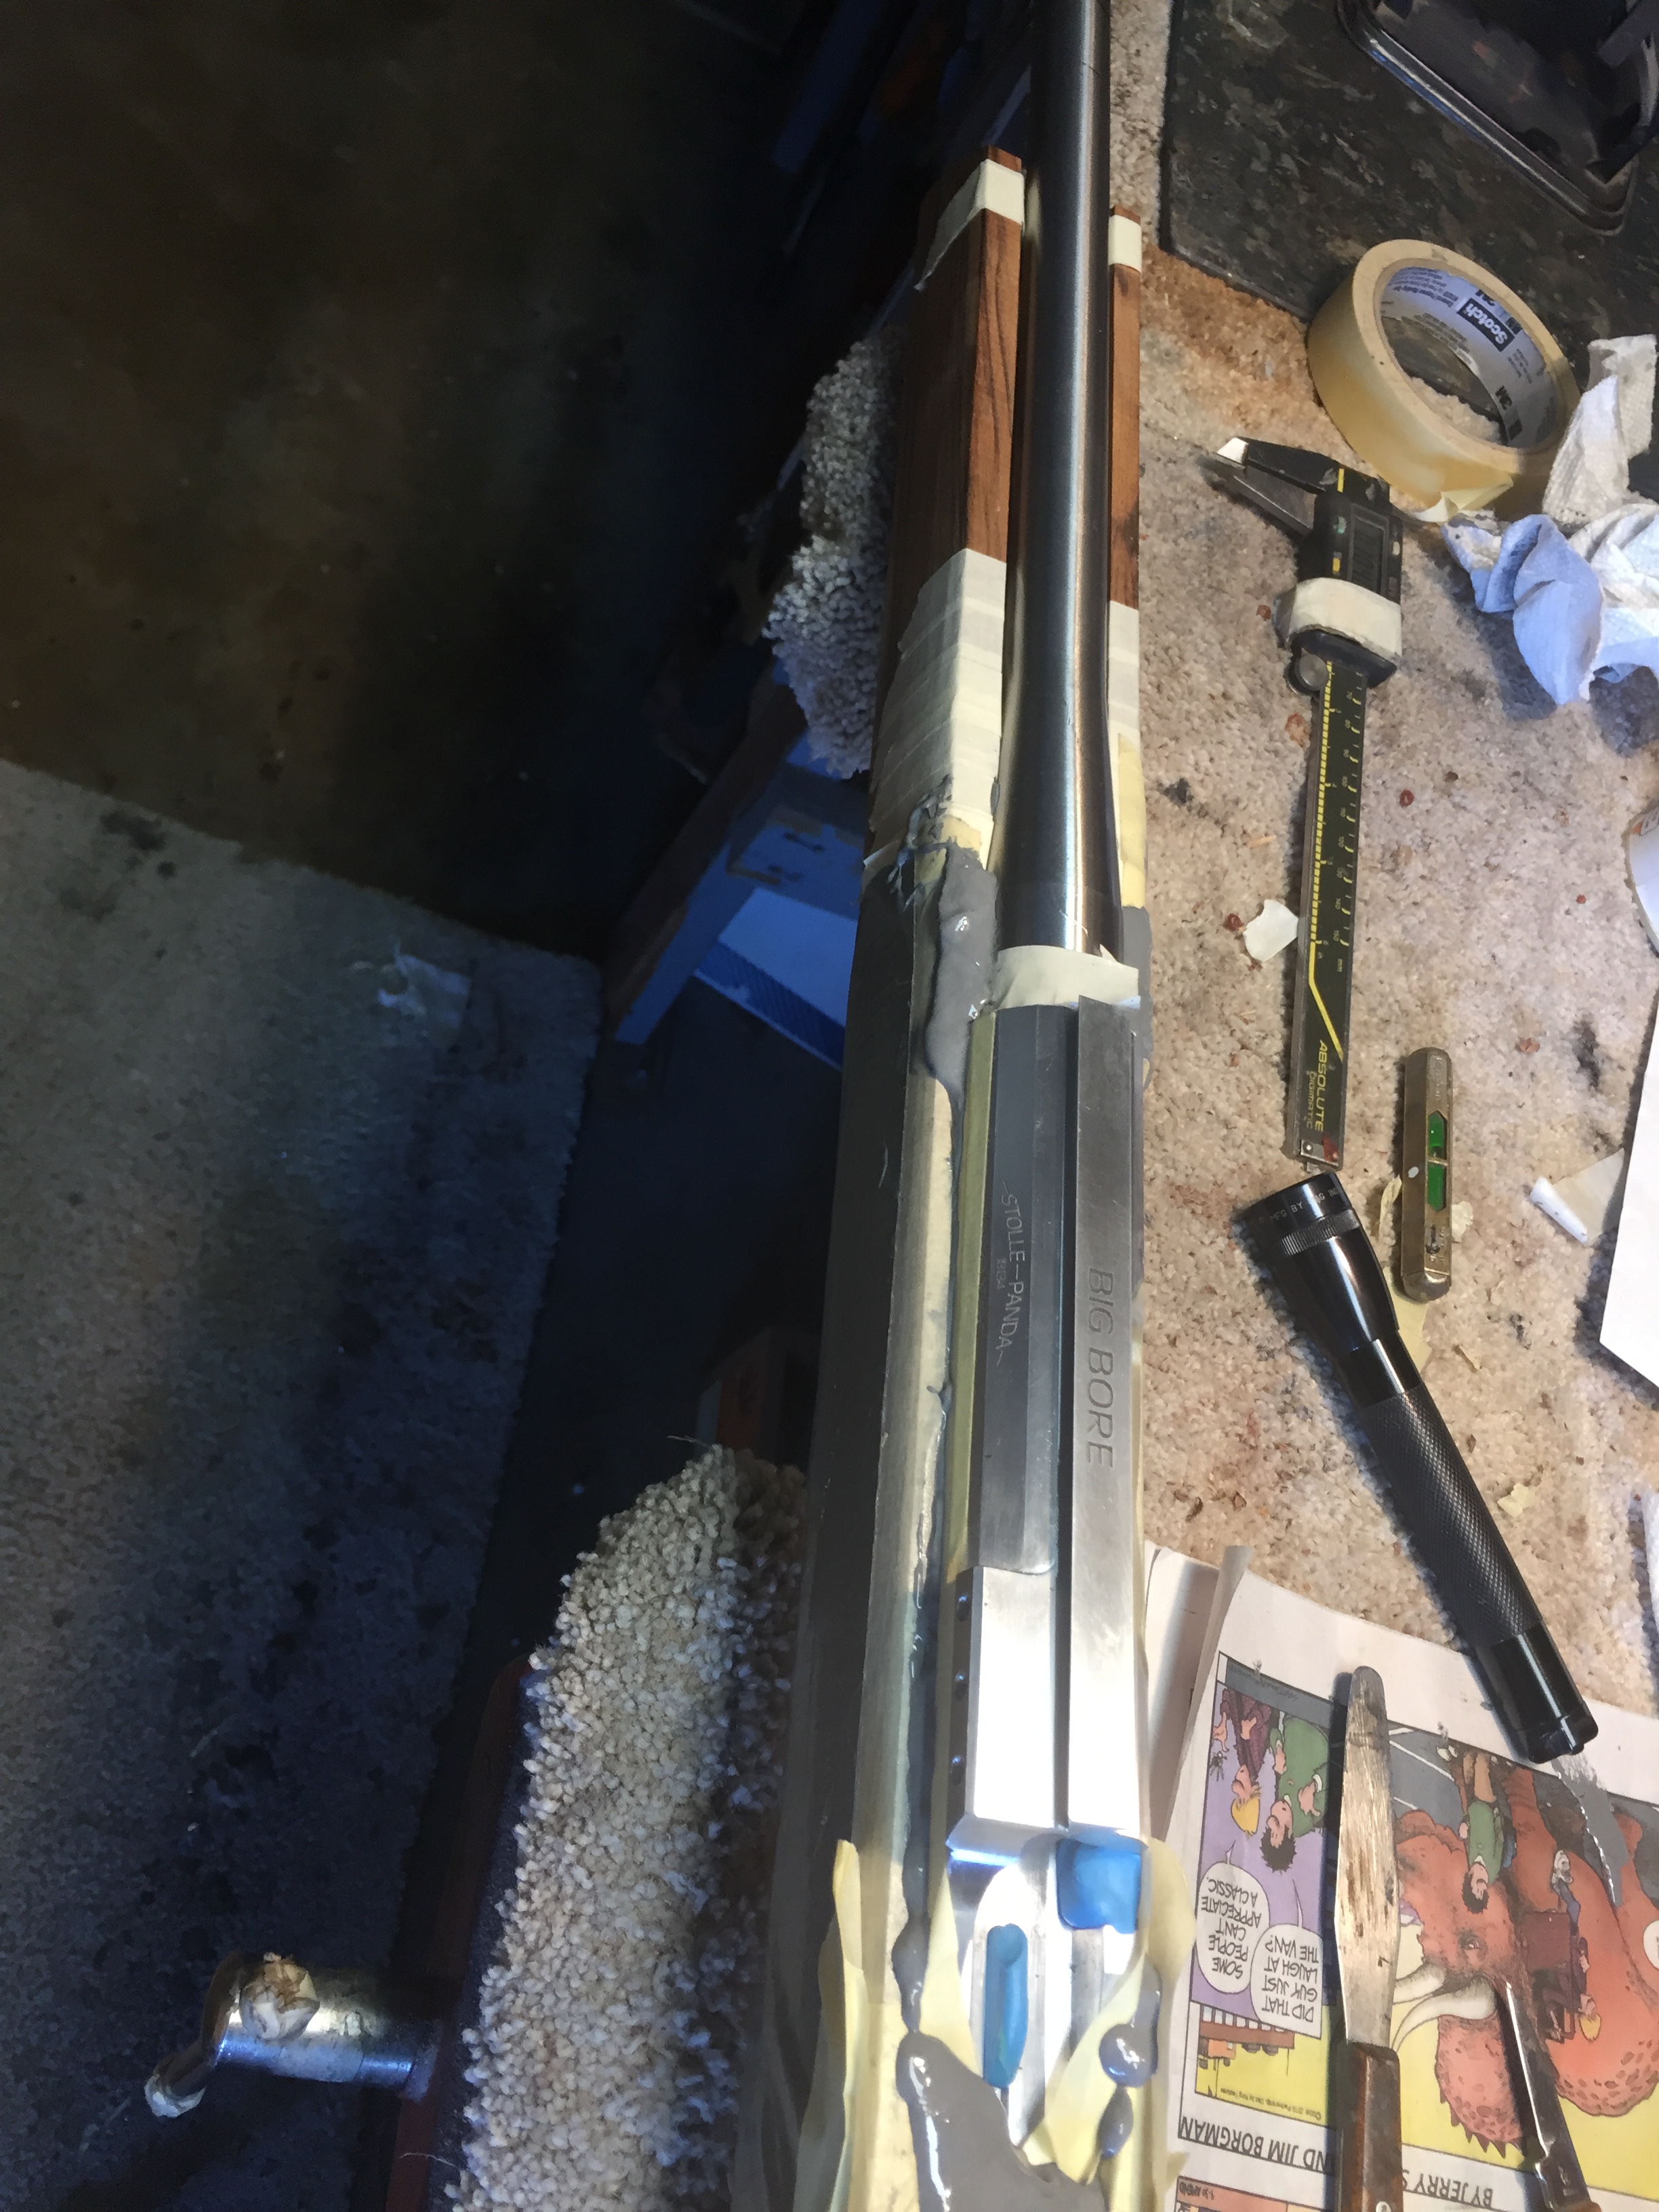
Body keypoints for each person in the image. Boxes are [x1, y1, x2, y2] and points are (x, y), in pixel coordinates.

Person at [1261, 1715, 1328, 1872]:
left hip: (1293, 1715)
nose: (1272, 1826)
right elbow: (1336, 1775)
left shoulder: (1279, 1796)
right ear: (1289, 1835)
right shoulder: (1309, 1817)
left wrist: (1278, 1750)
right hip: (1321, 1726)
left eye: (1270, 1833)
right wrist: (1314, 1786)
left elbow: (1274, 1733)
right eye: (1275, 1835)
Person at [1212, 1685, 1274, 1837]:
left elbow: (1230, 1695)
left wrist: (1224, 1720)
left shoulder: (1243, 1758)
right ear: (1253, 1792)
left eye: (1237, 1799)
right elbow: (1269, 1706)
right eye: (1242, 1800)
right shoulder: (1256, 1758)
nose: (1236, 1789)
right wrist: (1252, 1723)